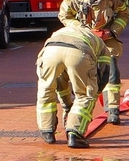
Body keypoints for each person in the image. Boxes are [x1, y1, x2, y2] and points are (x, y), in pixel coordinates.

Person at [57, 0, 129, 124]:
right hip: (83, 39)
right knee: (77, 70)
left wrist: (112, 31)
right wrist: (81, 29)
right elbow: (64, 15)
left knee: (111, 70)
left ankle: (113, 109)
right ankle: (75, 109)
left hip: (107, 40)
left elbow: (124, 14)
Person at [35, 12, 112, 148]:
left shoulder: (61, 30)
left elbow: (61, 84)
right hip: (79, 53)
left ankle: (47, 131)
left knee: (46, 90)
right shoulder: (98, 41)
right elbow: (104, 73)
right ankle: (75, 134)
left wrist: (68, 107)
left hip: (50, 52)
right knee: (85, 95)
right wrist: (95, 92)